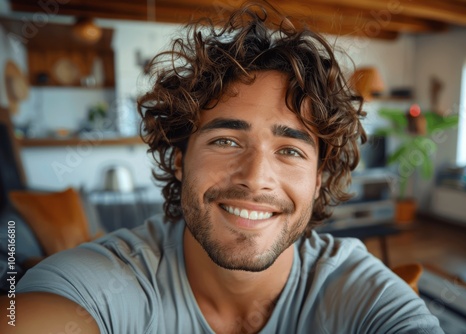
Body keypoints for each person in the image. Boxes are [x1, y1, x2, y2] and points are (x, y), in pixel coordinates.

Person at [1, 2, 443, 333]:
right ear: (179, 160)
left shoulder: (359, 289)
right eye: (226, 140)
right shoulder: (111, 280)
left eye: (290, 150)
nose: (254, 176)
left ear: (319, 179)